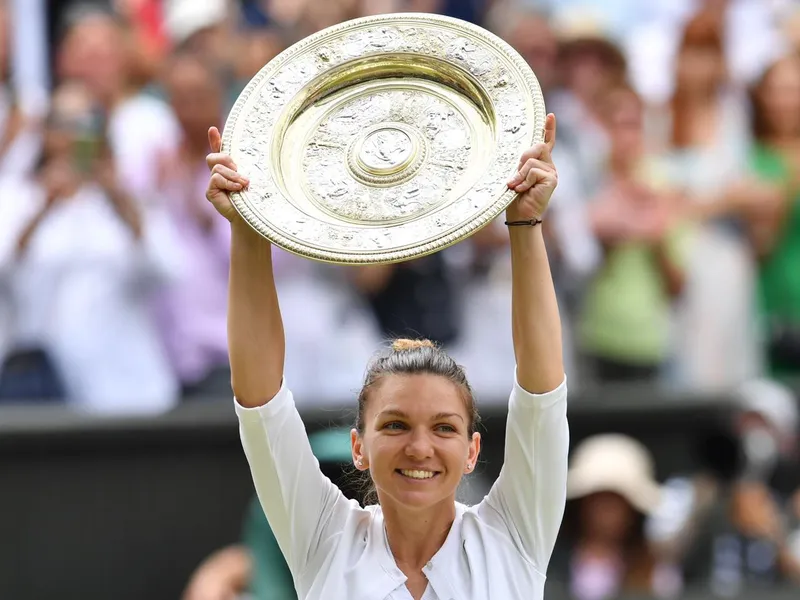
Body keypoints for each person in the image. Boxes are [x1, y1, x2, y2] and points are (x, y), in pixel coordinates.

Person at [204, 113, 568, 599]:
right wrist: (249, 229)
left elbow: (541, 391)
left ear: (472, 451)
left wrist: (525, 222)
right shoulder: (324, 538)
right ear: (359, 447)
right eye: (395, 425)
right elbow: (260, 402)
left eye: (444, 427)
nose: (420, 448)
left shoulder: (514, 533)